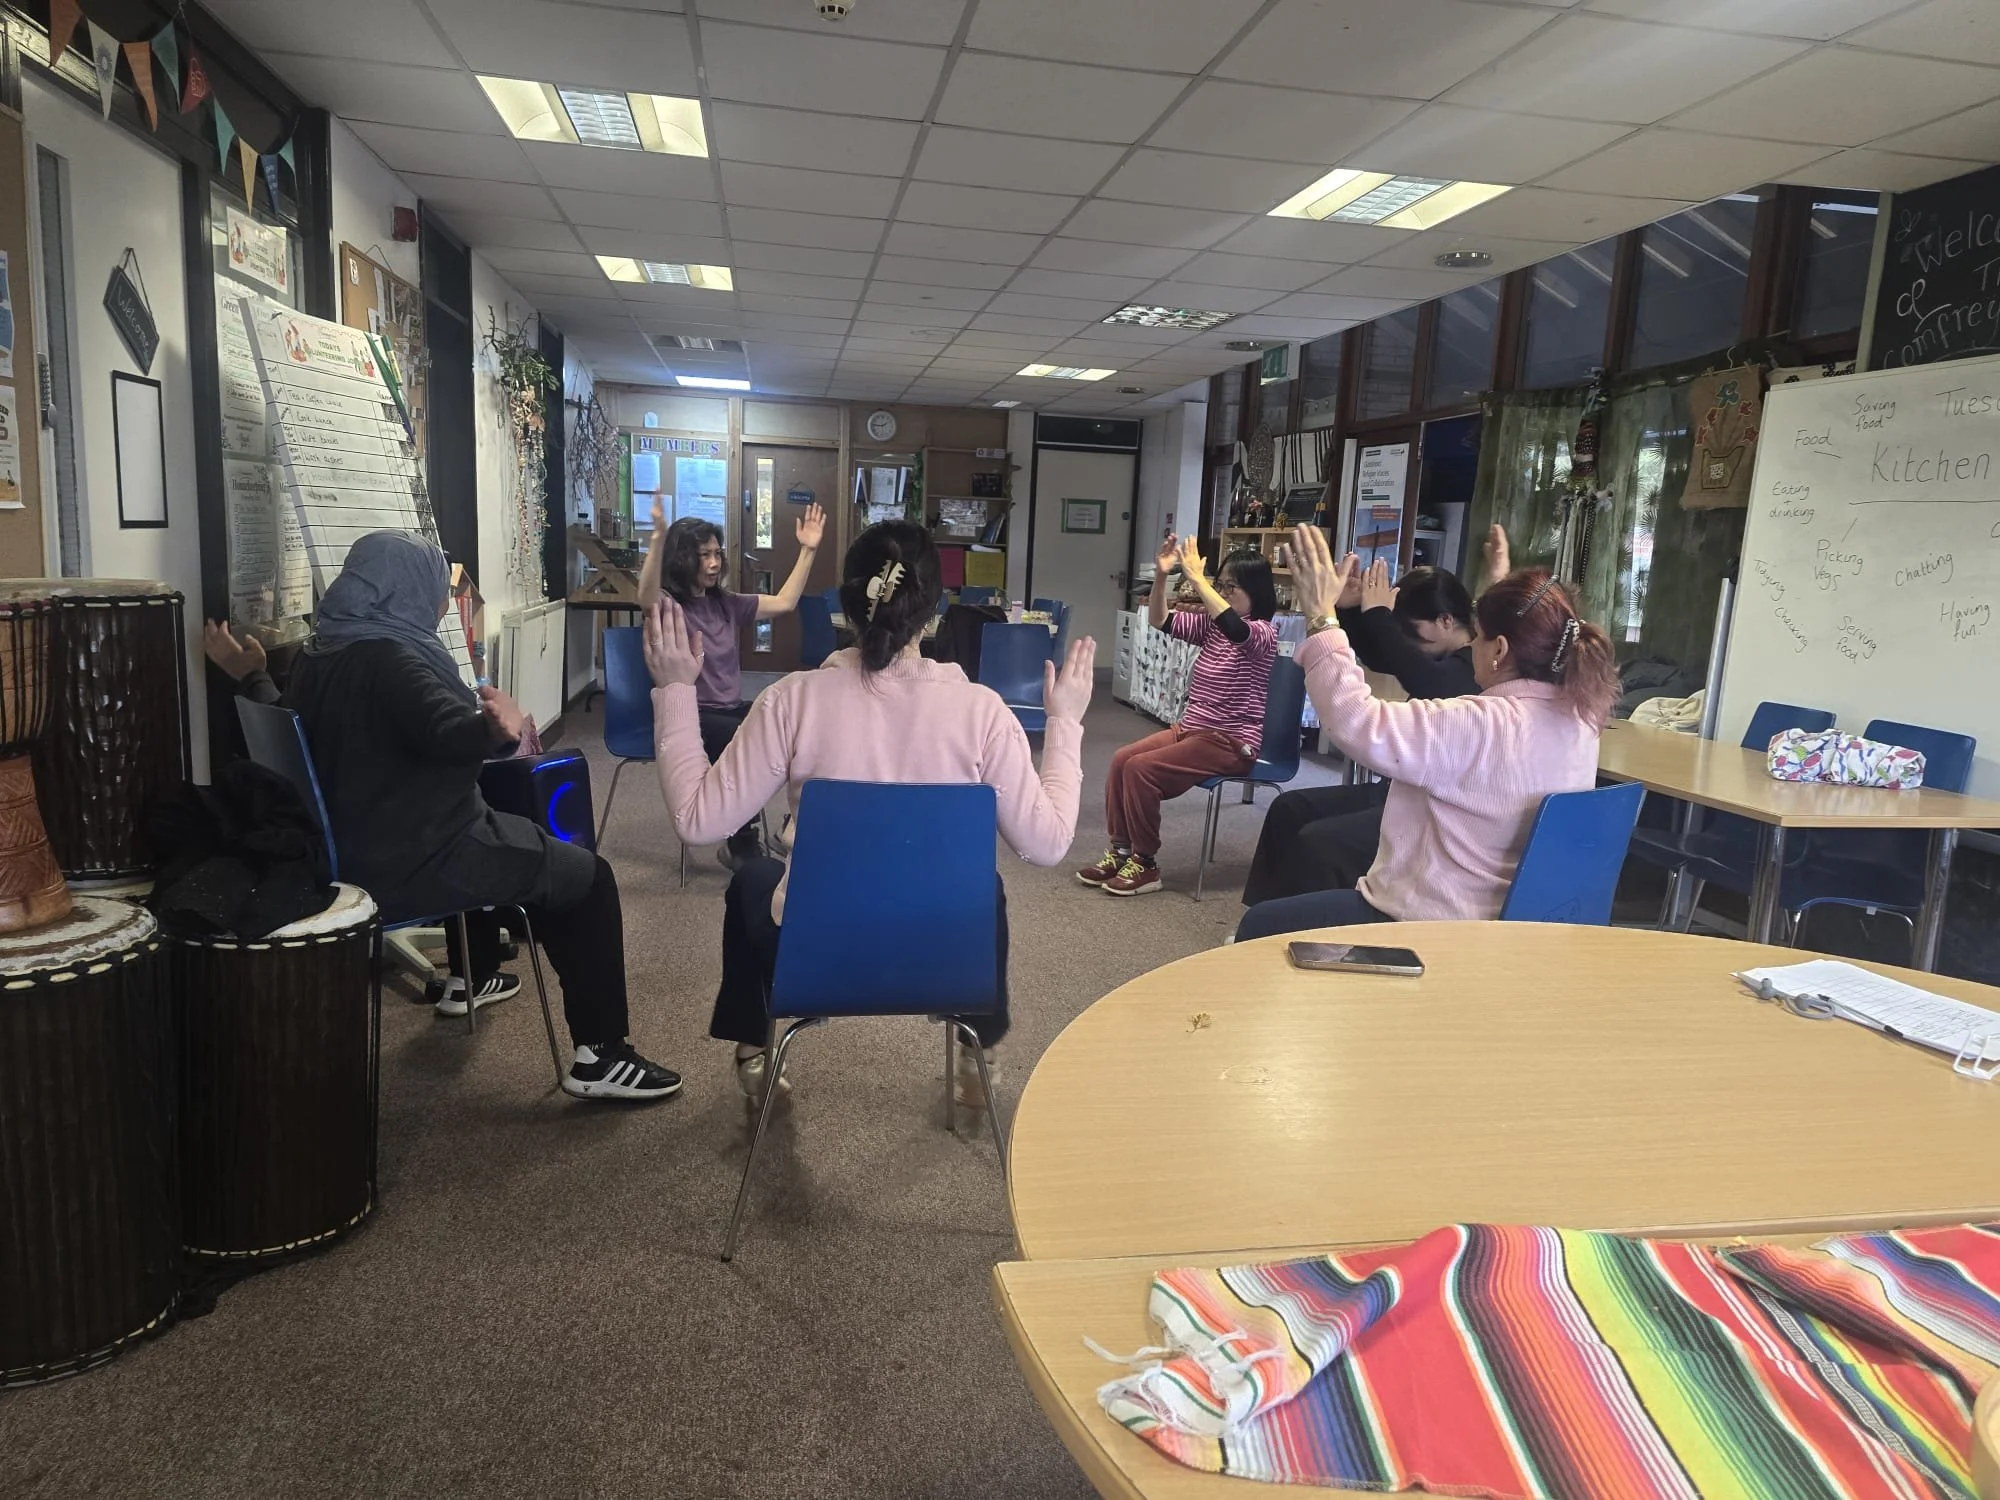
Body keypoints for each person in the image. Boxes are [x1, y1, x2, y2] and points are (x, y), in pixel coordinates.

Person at [204, 530, 680, 1102]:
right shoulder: (394, 658)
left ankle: (473, 974)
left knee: (505, 820)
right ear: (407, 588)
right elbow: (446, 730)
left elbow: (287, 716)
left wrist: (251, 673)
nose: (441, 602)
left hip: (344, 849)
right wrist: (493, 728)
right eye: (436, 587)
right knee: (587, 878)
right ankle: (601, 1056)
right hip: (414, 855)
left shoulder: (322, 649)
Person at [646, 520, 1095, 1106]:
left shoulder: (791, 700)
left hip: (816, 961)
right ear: (932, 613)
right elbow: (1049, 843)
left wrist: (676, 691)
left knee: (753, 880)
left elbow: (696, 822)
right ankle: (977, 1047)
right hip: (945, 961)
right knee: (985, 887)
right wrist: (1065, 724)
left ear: (845, 607)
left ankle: (756, 1055)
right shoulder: (983, 712)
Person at [1235, 523, 1617, 942]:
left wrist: (1321, 618)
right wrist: (1502, 579)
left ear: (1502, 650)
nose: (1472, 645)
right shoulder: (1582, 721)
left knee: (1260, 925)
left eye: (1481, 638)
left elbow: (1356, 721)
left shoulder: (1480, 722)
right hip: (1511, 926)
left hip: (1432, 928)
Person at [1241, 527, 1505, 906]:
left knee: (1320, 843)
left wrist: (1374, 614)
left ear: (1448, 621)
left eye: (1412, 632)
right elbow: (1388, 655)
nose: (1408, 643)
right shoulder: (1440, 654)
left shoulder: (1472, 670)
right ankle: (1264, 916)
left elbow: (1419, 672)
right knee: (1288, 808)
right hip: (1402, 791)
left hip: (1435, 810)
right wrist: (1349, 608)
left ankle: (1307, 939)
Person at [1077, 535, 1279, 897]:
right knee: (1122, 759)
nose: (1224, 591)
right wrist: (1160, 576)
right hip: (1192, 729)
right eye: (1223, 585)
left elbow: (1238, 630)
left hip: (1231, 742)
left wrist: (1199, 580)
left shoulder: (1263, 633)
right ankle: (1121, 851)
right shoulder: (1213, 626)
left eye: (1231, 586)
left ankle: (1146, 863)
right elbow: (1160, 621)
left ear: (1256, 591)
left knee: (1142, 770)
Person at [636, 496, 826, 868]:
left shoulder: (725, 603)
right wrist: (658, 537)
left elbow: (786, 602)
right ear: (682, 559)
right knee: (741, 735)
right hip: (692, 713)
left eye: (716, 554)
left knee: (780, 726)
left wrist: (808, 550)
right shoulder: (668, 604)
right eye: (703, 555)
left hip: (729, 708)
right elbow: (644, 594)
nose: (713, 562)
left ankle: (793, 822)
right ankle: (742, 844)